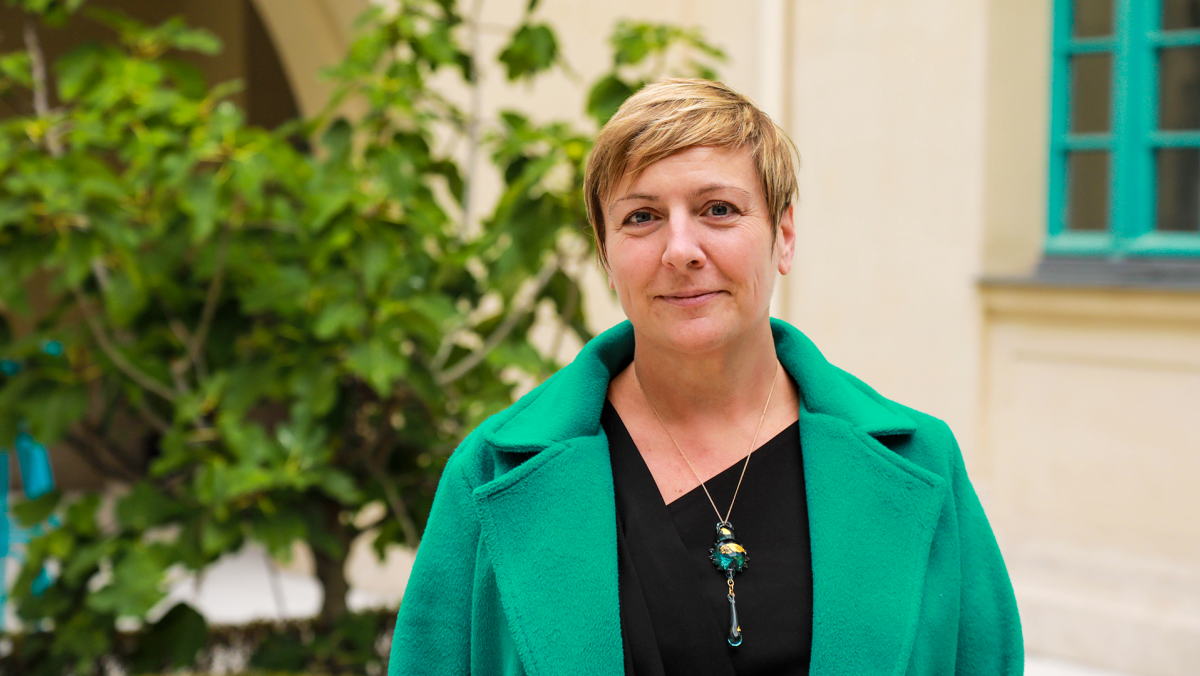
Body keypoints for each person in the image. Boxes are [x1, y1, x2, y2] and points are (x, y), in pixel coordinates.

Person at [388, 79, 1022, 675]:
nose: (680, 250)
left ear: (784, 236)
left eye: (718, 209)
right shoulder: (489, 473)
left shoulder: (922, 463)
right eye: (641, 217)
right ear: (606, 253)